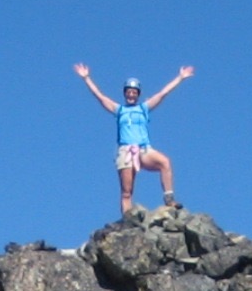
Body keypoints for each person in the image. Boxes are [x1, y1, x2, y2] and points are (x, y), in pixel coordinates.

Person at [74, 63, 194, 215]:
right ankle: (128, 219)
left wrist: (180, 78)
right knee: (126, 191)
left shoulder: (143, 109)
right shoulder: (119, 110)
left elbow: (162, 93)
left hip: (144, 149)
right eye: (129, 92)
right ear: (125, 94)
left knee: (165, 162)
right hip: (125, 151)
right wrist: (86, 78)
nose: (131, 95)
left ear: (138, 94)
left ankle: (169, 199)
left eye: (134, 92)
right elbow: (100, 96)